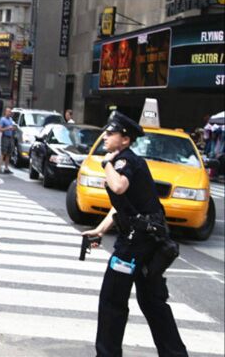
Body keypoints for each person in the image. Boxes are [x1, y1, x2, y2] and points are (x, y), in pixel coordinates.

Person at [82, 111, 187, 357]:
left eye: (111, 133)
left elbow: (119, 187)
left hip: (135, 242)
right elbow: (122, 203)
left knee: (112, 300)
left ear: (125, 139)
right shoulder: (125, 161)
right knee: (152, 301)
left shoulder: (122, 161)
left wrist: (106, 163)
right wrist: (100, 229)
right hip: (149, 238)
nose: (105, 136)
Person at [0, 108, 16, 174]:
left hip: (10, 137)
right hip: (5, 137)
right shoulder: (2, 119)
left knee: (9, 153)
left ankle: (6, 168)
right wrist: (7, 128)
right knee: (3, 153)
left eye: (10, 112)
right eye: (8, 112)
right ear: (5, 112)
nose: (9, 113)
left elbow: (12, 127)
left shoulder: (11, 119)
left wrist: (13, 128)